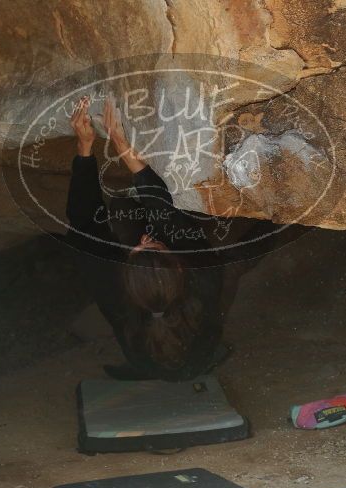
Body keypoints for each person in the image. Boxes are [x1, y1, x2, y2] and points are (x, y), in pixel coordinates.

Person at [66, 96, 271, 381]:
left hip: (140, 358)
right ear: (178, 265)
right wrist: (121, 144)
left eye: (139, 246)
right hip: (201, 351)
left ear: (124, 273)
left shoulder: (108, 283)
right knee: (233, 261)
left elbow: (82, 221)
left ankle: (154, 370)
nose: (146, 236)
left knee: (121, 209)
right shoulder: (204, 275)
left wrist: (84, 149)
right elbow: (162, 207)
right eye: (155, 244)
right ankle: (201, 363)